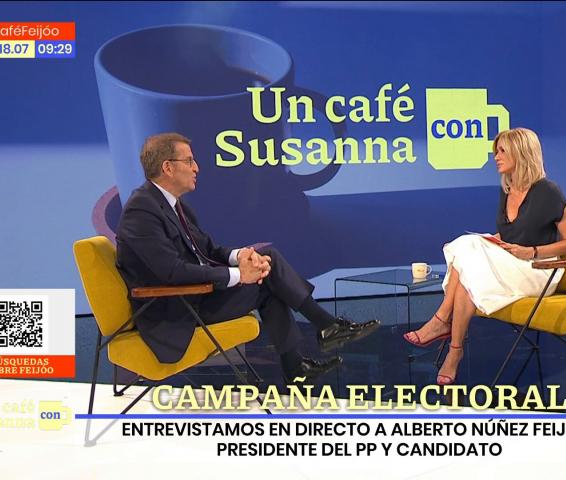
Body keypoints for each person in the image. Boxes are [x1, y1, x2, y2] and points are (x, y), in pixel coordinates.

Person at [116, 133, 380, 384]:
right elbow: (172, 272)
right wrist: (239, 275)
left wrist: (241, 255)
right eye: (189, 161)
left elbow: (208, 249)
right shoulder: (142, 210)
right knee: (268, 275)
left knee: (266, 263)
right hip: (175, 311)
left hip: (195, 298)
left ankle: (304, 358)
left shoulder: (173, 204)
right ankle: (318, 338)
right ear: (168, 167)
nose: (196, 168)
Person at [403, 127, 566, 385]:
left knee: (467, 252)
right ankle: (454, 350)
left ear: (521, 152)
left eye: (502, 151)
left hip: (538, 269)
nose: (496, 157)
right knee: (468, 261)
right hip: (512, 263)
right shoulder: (507, 189)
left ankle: (442, 321)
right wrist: (493, 240)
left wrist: (532, 251)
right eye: (496, 151)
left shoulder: (548, 191)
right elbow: (512, 232)